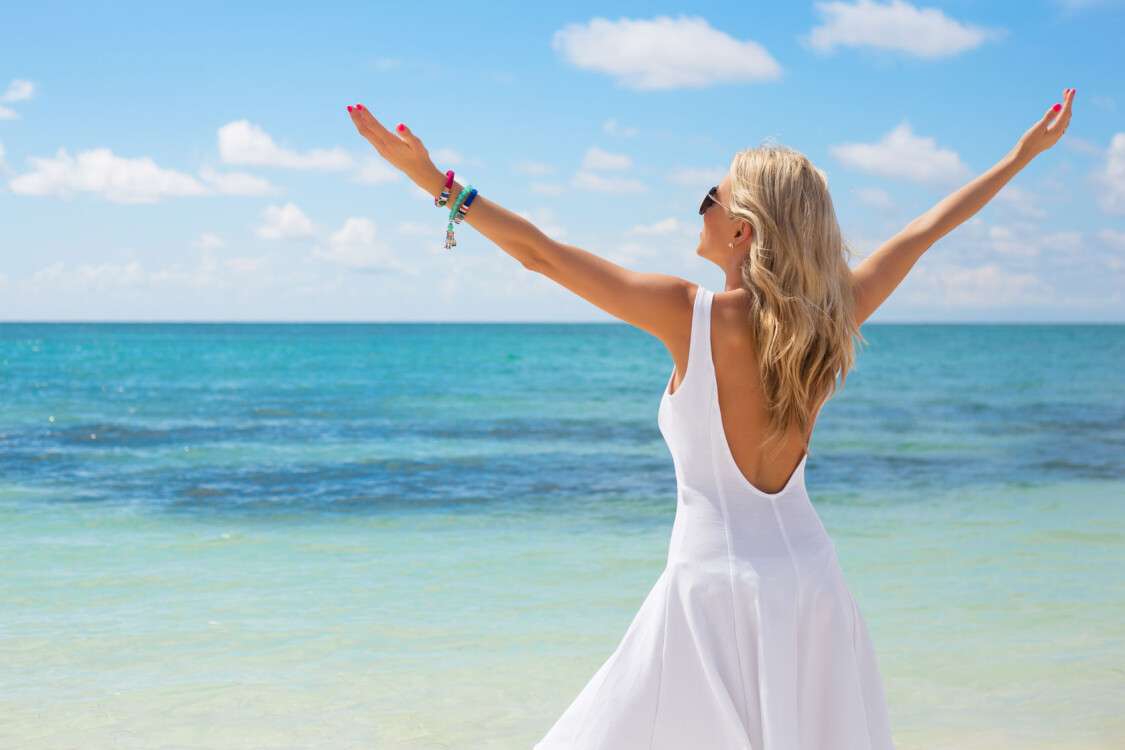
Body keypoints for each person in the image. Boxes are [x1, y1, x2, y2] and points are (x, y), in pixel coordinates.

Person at [345, 88, 1075, 749]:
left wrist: (432, 181)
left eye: (710, 197)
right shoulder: (830, 316)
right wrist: (1019, 156)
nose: (698, 208)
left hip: (710, 594)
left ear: (743, 231)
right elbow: (924, 231)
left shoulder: (686, 313)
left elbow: (540, 255)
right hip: (810, 586)